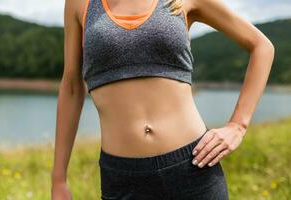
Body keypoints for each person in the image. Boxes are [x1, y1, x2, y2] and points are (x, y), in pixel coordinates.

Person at [51, 0, 274, 199]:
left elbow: (262, 46)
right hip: (123, 177)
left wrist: (237, 125)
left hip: (194, 165)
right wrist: (58, 179)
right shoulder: (80, 4)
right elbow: (71, 86)